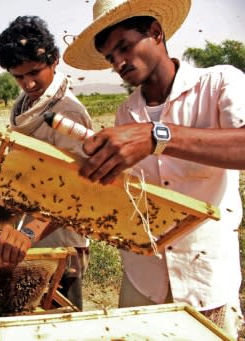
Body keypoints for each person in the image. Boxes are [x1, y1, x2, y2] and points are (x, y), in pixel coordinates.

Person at [60, 0, 245, 338]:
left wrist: (157, 136)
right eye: (110, 58)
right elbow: (131, 191)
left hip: (205, 281)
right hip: (142, 281)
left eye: (124, 47)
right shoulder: (125, 114)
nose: (119, 63)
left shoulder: (219, 83)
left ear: (156, 32)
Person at [0, 15, 93, 311]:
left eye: (35, 72)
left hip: (60, 240)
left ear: (55, 60)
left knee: (60, 319)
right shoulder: (24, 106)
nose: (28, 83)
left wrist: (29, 233)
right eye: (19, 77)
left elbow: (78, 188)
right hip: (28, 233)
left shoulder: (67, 112)